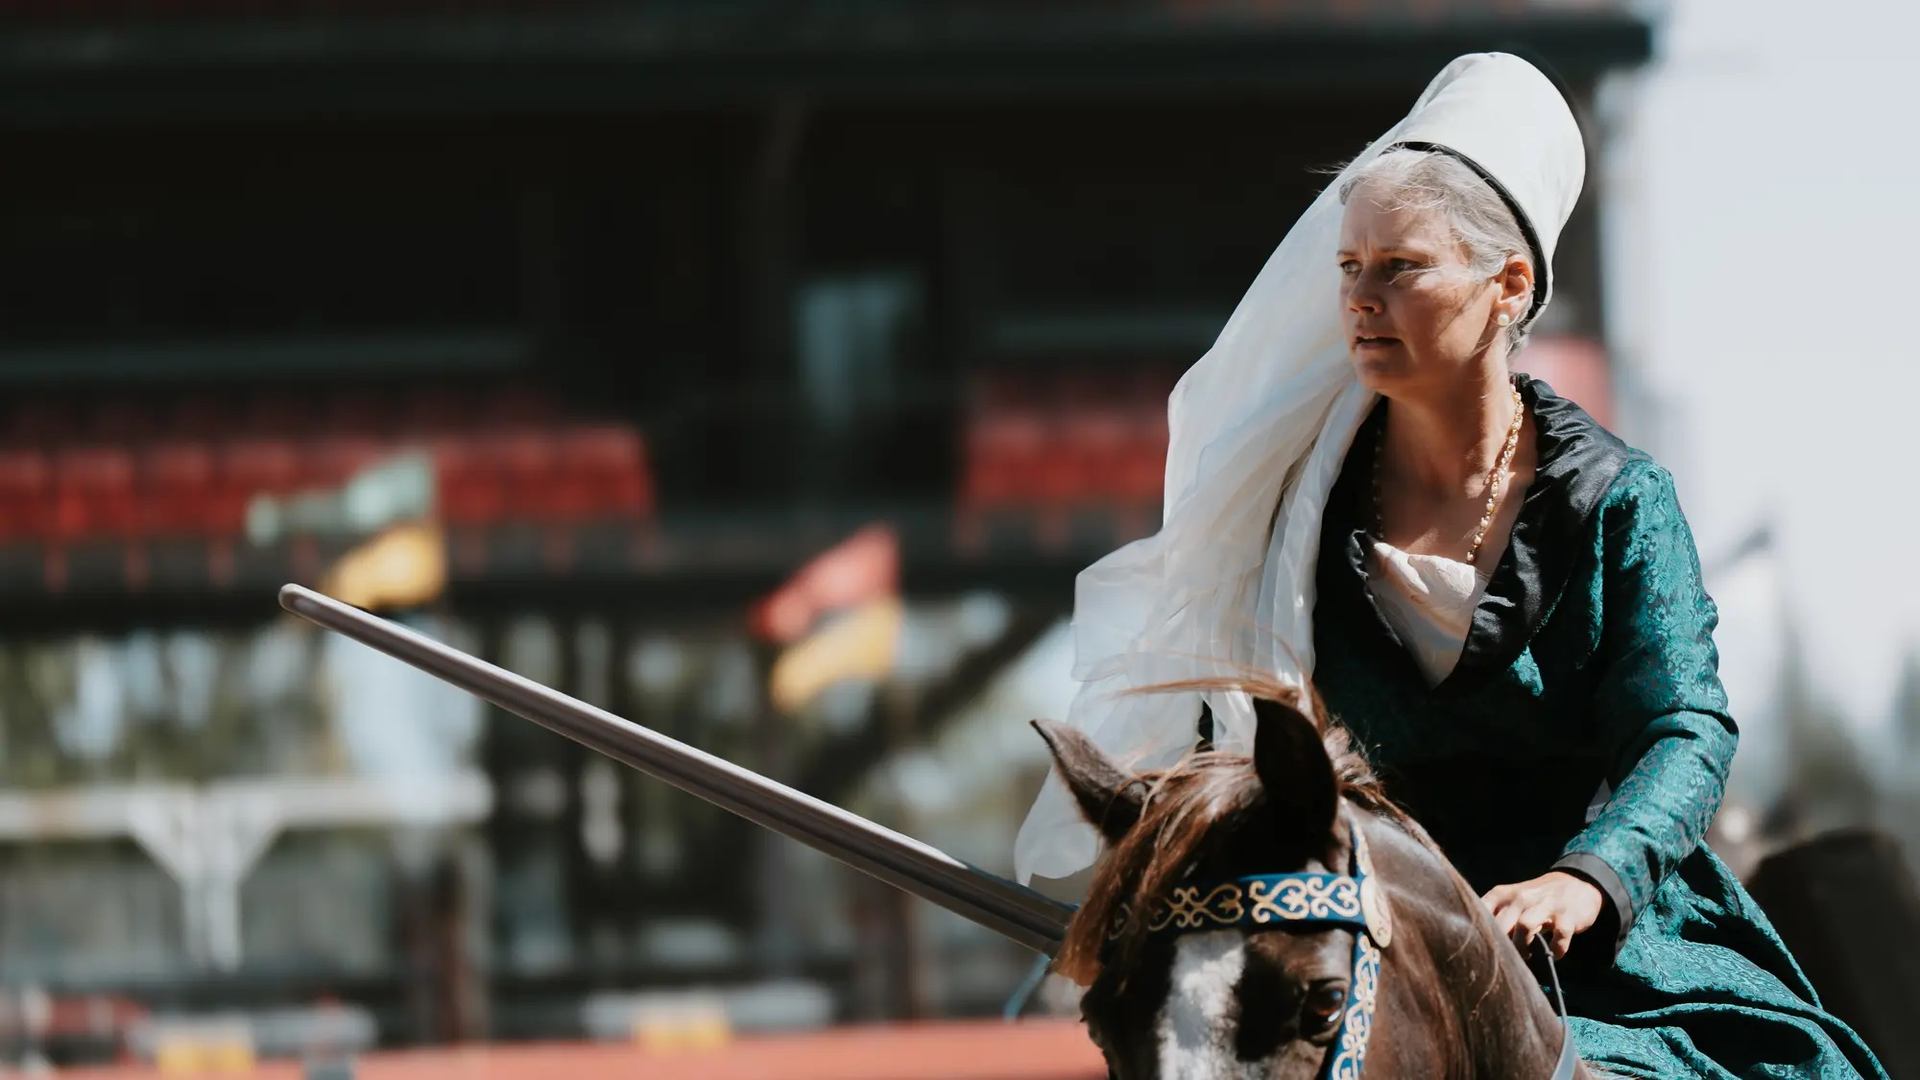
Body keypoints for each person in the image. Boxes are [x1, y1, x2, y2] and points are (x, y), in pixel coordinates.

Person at [1014, 53, 1886, 1078]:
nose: (1361, 300)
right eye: (1350, 270)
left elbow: (1684, 729)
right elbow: (1234, 753)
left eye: (1401, 268)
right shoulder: (1289, 522)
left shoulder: (1618, 502)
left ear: (1508, 286)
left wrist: (1589, 879)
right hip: (1362, 939)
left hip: (1609, 955)